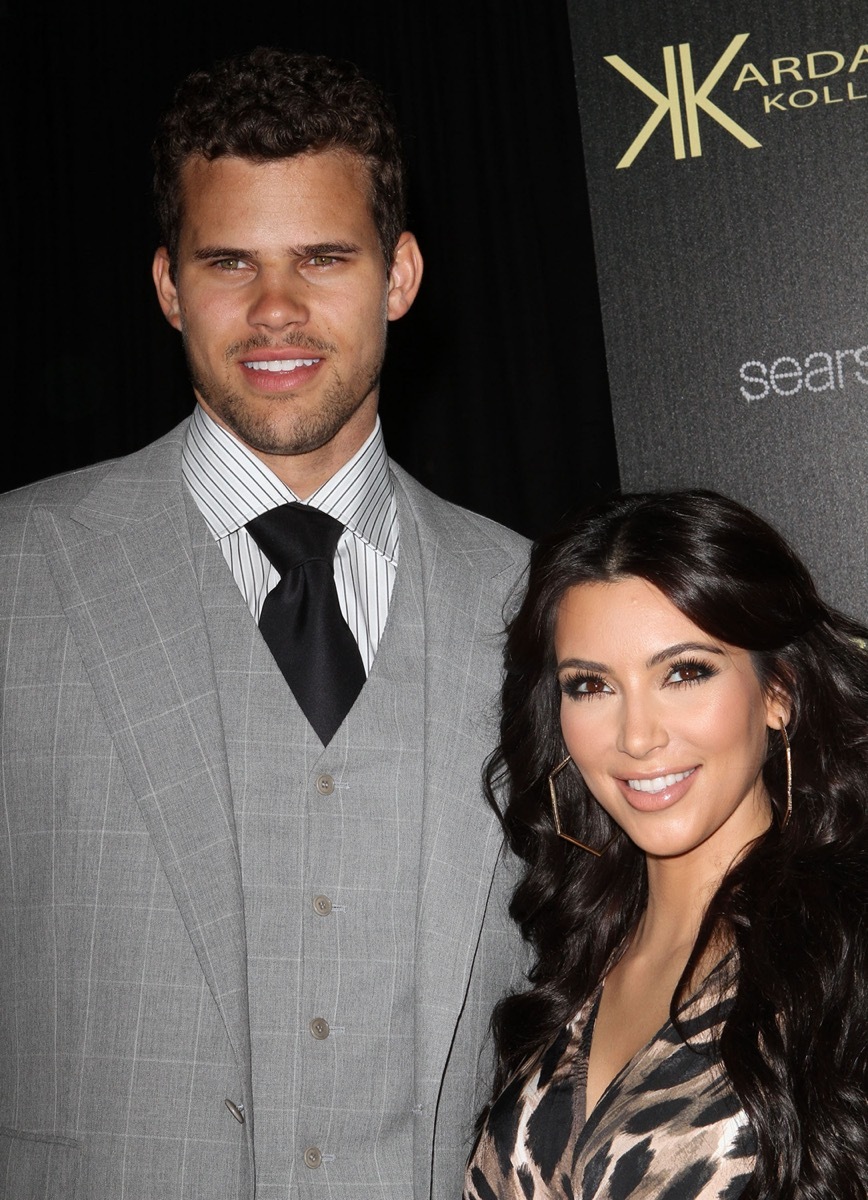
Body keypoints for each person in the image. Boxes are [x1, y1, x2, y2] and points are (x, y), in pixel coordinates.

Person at [0, 46, 530, 1198]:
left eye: (323, 259)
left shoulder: (534, 603)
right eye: (228, 261)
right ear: (166, 285)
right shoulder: (15, 573)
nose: (275, 310)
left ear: (399, 275)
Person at [464, 489, 867, 1200]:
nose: (637, 737)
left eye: (684, 672)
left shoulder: (847, 957)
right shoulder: (572, 958)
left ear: (779, 691)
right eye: (590, 686)